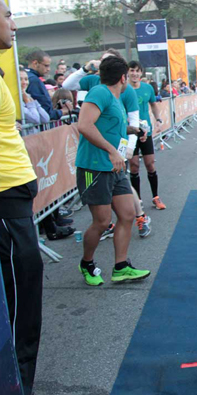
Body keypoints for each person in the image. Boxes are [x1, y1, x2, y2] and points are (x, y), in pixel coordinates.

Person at [0, 0, 67, 395]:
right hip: (3, 209)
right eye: (9, 15)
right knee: (18, 317)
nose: (14, 24)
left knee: (21, 311)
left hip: (11, 206)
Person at [75, 55, 151, 286]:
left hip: (114, 167)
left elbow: (109, 124)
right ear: (123, 77)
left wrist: (135, 130)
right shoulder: (100, 92)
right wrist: (112, 151)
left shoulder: (115, 97)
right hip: (94, 167)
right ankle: (87, 263)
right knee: (102, 221)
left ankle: (121, 267)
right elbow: (84, 125)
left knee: (128, 214)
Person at [127, 60, 166, 210]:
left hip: (146, 130)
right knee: (134, 166)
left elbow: (153, 105)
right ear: (128, 72)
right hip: (130, 132)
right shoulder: (124, 89)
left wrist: (158, 120)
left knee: (150, 164)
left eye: (137, 71)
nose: (135, 73)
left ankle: (156, 197)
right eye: (132, 70)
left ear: (141, 73)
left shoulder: (147, 88)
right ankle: (138, 201)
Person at [26, 50, 74, 120]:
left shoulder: (29, 77)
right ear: (35, 63)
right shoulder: (34, 80)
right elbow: (45, 112)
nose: (48, 69)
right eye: (46, 66)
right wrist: (62, 111)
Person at [19, 67, 49, 133]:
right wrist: (29, 103)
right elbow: (35, 119)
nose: (24, 82)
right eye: (20, 79)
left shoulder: (27, 96)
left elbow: (45, 118)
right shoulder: (15, 100)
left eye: (26, 79)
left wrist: (34, 102)